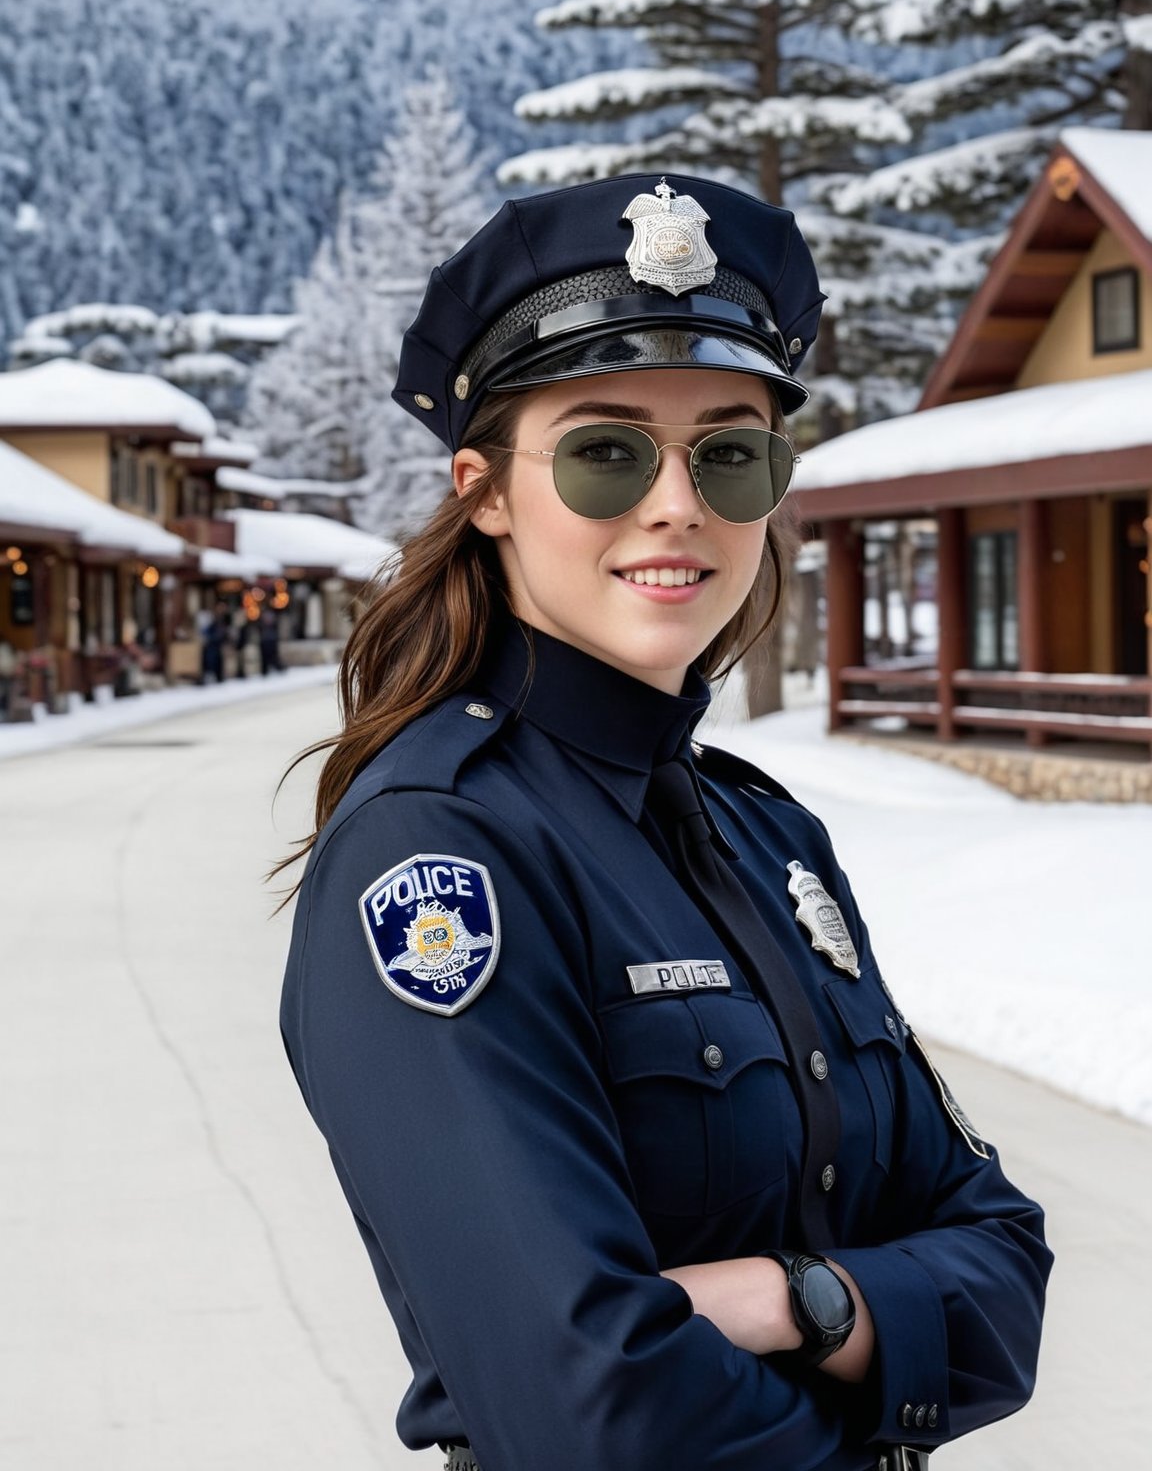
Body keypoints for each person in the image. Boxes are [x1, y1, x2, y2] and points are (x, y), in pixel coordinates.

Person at [279, 173, 1050, 1471]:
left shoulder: (770, 836)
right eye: (606, 450)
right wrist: (876, 1318)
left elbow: (1003, 1271)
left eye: (731, 452)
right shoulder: (441, 855)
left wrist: (792, 1299)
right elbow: (593, 1404)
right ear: (485, 491)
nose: (677, 503)